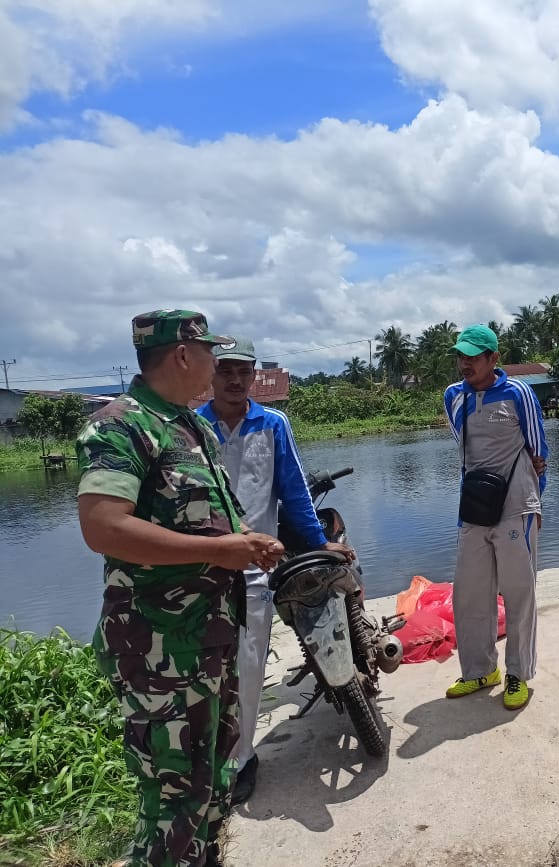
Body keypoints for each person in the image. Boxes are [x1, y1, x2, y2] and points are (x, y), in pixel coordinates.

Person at [76, 310, 285, 867]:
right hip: (160, 652)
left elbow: (209, 516)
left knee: (213, 781)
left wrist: (246, 538)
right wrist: (219, 552)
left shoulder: (189, 427)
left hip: (211, 641)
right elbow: (104, 527)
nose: (220, 368)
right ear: (185, 355)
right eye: (214, 355)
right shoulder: (121, 426)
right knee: (173, 794)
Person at [195, 336, 353, 804]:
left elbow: (293, 492)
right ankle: (207, 757)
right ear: (211, 374)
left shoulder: (273, 424)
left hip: (253, 569)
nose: (235, 380)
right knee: (204, 669)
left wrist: (318, 540)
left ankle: (243, 759)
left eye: (243, 372)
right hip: (200, 569)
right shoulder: (191, 429)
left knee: (246, 664)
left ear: (253, 377)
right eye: (225, 370)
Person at [443, 324, 548, 710]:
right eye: (461, 356)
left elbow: (539, 451)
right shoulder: (453, 397)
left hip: (517, 504)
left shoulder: (519, 393)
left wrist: (536, 504)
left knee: (519, 592)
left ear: (493, 359)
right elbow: (464, 453)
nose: (465, 363)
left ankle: (518, 673)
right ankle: (480, 670)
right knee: (469, 592)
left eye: (473, 356)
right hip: (474, 508)